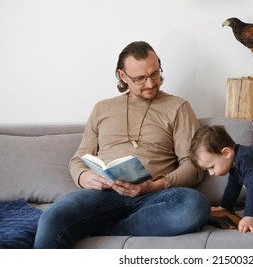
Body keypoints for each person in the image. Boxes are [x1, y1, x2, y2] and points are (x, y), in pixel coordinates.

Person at [33, 41, 210, 248]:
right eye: (140, 78)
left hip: (155, 196)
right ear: (123, 76)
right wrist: (84, 177)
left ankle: (110, 227)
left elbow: (194, 166)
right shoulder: (102, 109)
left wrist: (154, 185)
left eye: (155, 74)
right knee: (52, 217)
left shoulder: (178, 107)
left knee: (194, 205)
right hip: (104, 195)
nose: (151, 83)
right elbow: (78, 158)